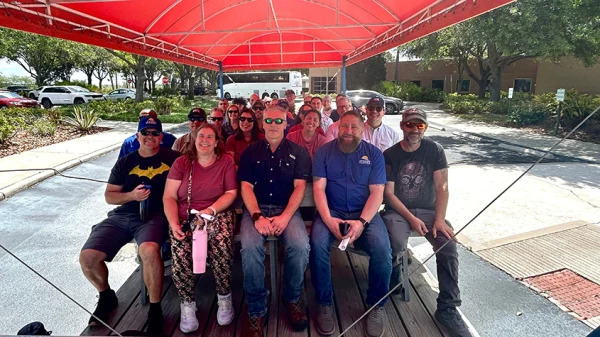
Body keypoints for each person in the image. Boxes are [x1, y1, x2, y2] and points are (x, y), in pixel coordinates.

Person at [80, 117, 180, 334]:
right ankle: (106, 295)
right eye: (145, 133)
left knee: (150, 249)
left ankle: (155, 308)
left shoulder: (173, 158)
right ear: (138, 136)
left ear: (161, 137)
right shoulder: (125, 162)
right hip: (123, 214)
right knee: (88, 257)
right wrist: (132, 195)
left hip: (155, 215)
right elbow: (110, 196)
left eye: (155, 133)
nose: (150, 137)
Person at [382, 108, 471, 337]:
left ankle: (448, 307)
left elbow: (442, 186)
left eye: (419, 125)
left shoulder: (435, 150)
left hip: (430, 211)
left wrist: (440, 219)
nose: (414, 129)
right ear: (402, 126)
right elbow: (389, 194)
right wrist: (411, 218)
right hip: (399, 211)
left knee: (448, 246)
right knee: (394, 243)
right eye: (409, 125)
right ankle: (394, 274)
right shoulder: (390, 154)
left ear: (425, 127)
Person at [310, 110, 391, 337]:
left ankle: (376, 305)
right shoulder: (324, 152)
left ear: (362, 129)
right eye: (344, 126)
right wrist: (328, 220)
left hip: (364, 213)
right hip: (332, 210)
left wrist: (361, 223)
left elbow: (377, 193)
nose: (348, 131)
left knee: (383, 250)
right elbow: (318, 188)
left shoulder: (374, 155)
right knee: (317, 245)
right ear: (337, 128)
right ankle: (324, 303)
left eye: (354, 127)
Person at [237, 106, 311, 336]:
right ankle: (257, 308)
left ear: (286, 124)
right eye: (268, 120)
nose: (273, 124)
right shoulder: (250, 152)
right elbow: (246, 187)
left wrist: (286, 216)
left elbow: (300, 188)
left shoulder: (299, 153)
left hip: (286, 209)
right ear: (263, 123)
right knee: (249, 247)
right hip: (255, 210)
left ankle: (292, 297)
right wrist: (257, 215)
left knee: (300, 246)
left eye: (278, 121)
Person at [163, 124, 238, 332]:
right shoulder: (182, 163)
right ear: (195, 140)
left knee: (221, 244)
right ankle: (187, 303)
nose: (204, 140)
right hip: (186, 215)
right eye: (201, 136)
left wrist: (211, 210)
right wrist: (173, 224)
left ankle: (224, 297)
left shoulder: (226, 162)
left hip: (217, 212)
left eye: (209, 137)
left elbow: (231, 193)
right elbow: (169, 196)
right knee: (180, 251)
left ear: (216, 142)